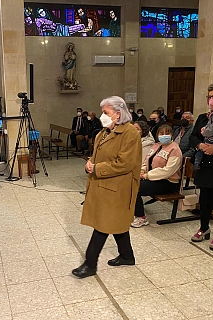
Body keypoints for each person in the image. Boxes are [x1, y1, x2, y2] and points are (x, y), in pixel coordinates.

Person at [72, 96, 142, 278]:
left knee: (103, 225)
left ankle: (90, 264)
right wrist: (90, 163)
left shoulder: (130, 133)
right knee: (116, 221)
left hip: (119, 186)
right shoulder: (103, 133)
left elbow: (124, 163)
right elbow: (97, 156)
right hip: (103, 183)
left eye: (106, 112)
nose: (102, 116)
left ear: (118, 114)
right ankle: (127, 255)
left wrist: (97, 168)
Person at [131, 124, 182, 227]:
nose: (164, 136)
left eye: (167, 133)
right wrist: (142, 170)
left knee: (136, 187)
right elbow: (147, 161)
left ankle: (141, 217)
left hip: (168, 181)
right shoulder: (156, 146)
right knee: (129, 182)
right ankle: (131, 210)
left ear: (172, 135)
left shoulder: (174, 149)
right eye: (161, 133)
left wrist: (147, 176)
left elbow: (167, 171)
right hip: (153, 178)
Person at [190, 83, 213, 249]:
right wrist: (201, 146)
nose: (212, 100)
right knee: (205, 198)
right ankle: (204, 228)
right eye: (210, 97)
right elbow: (193, 137)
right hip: (204, 163)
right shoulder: (202, 117)